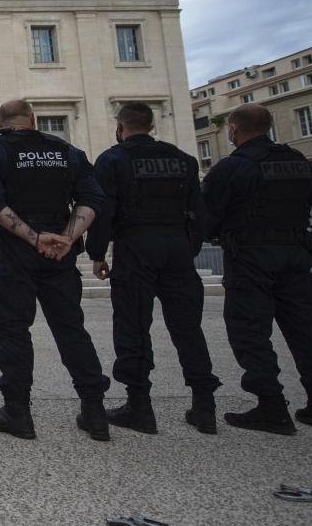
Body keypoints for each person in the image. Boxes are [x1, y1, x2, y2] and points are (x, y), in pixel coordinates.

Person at [0, 99, 111, 441]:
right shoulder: (66, 151)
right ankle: (94, 410)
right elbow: (92, 199)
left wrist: (34, 238)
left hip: (16, 251)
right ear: (33, 120)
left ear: (0, 122)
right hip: (59, 253)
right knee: (71, 329)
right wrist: (66, 238)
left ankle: (17, 412)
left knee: (12, 331)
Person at [86, 102, 221, 435]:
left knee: (132, 327)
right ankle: (204, 406)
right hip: (176, 248)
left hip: (136, 247)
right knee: (188, 327)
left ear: (121, 126)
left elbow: (103, 211)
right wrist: (189, 247)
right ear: (152, 124)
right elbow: (199, 211)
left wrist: (98, 252)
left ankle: (140, 406)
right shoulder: (183, 160)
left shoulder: (113, 160)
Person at [202, 103, 312, 435]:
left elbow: (208, 216)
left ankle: (271, 405)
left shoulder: (232, 168)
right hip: (295, 253)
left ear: (233, 128)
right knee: (306, 330)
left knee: (250, 331)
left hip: (250, 256)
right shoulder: (300, 164)